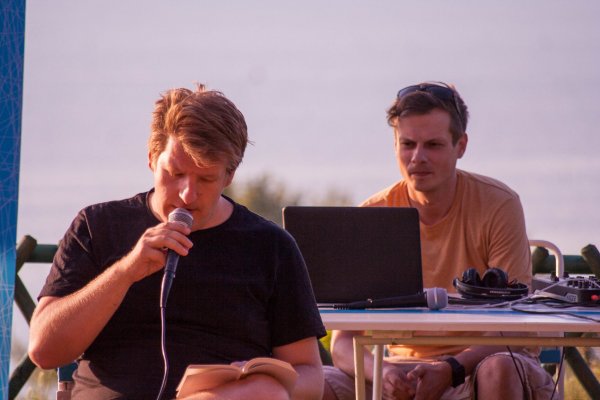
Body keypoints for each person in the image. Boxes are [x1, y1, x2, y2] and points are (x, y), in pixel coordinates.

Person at [28, 84, 326, 400]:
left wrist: (252, 387)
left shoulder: (270, 246)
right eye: (175, 173)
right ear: (152, 158)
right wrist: (126, 271)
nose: (187, 194)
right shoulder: (97, 226)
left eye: (206, 179)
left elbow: (310, 375)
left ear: (229, 176)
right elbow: (44, 351)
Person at [322, 82, 556, 400]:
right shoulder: (373, 213)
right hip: (403, 372)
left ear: (461, 145)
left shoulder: (498, 203)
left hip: (482, 364)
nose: (418, 157)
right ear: (394, 144)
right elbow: (342, 342)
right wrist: (384, 372)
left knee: (499, 369)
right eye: (407, 144)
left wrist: (450, 369)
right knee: (311, 382)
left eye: (433, 145)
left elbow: (514, 329)